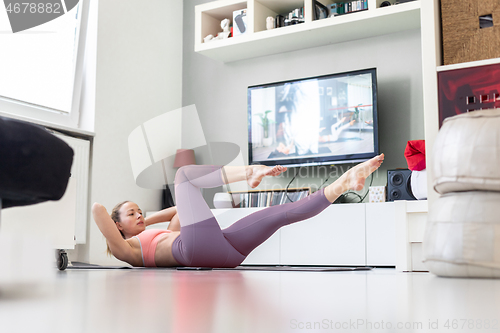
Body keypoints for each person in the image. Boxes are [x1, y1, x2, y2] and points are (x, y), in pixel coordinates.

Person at [93, 154, 384, 268]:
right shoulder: (127, 250)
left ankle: (343, 183)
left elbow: (177, 213)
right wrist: (121, 226)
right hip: (193, 250)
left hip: (226, 255)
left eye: (139, 210)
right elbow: (98, 210)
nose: (140, 215)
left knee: (283, 213)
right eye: (132, 214)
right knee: (183, 176)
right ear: (117, 225)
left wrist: (146, 220)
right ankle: (251, 171)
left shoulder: (160, 234)